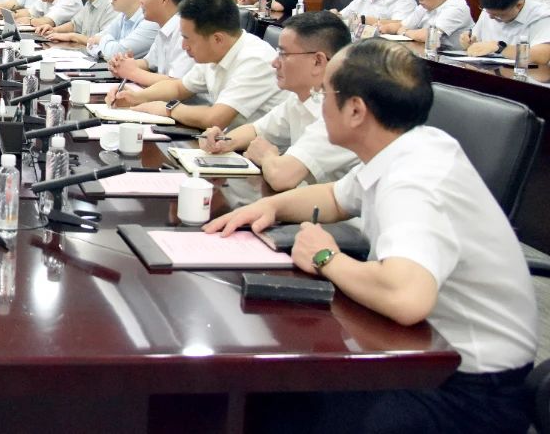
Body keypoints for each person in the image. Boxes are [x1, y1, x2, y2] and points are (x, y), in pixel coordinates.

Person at [207, 40, 536, 434]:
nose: (319, 102)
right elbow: (334, 197)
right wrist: (269, 208)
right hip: (424, 353)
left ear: (356, 110)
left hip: (469, 390)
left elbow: (406, 297)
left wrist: (327, 258)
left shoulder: (415, 180)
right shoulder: (407, 146)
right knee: (269, 393)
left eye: (325, 92)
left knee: (276, 405)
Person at [201, 11, 356, 191]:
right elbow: (257, 130)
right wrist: (223, 141)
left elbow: (281, 176)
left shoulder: (339, 112)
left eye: (283, 54)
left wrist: (266, 156)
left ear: (317, 61)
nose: (275, 63)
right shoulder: (300, 98)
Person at [108, 0, 288, 129]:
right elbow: (179, 87)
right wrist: (137, 97)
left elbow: (215, 119)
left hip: (263, 155)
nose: (183, 46)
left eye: (187, 39)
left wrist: (169, 109)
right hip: (227, 143)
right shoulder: (216, 52)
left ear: (217, 39)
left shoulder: (254, 59)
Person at [108, 0, 195, 86]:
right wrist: (122, 64)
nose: (140, 1)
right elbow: (149, 63)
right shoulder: (164, 27)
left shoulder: (185, 31)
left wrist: (132, 72)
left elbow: (178, 83)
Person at [461, 0, 550, 64]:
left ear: (519, 5)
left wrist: (500, 48)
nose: (491, 17)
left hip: (522, 72)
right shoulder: (490, 10)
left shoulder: (542, 16)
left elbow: (541, 57)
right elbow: (475, 41)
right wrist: (468, 42)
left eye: (499, 15)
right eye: (487, 12)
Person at [88, 0, 159, 60]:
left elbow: (116, 52)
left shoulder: (150, 20)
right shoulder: (123, 16)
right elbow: (91, 43)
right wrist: (103, 50)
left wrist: (101, 41)